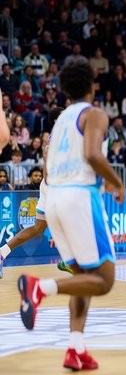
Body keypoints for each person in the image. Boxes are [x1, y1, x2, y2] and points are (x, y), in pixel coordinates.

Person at [16, 59, 126, 371]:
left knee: (83, 278)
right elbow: (92, 155)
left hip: (54, 199)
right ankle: (40, 288)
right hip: (79, 197)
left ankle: (75, 348)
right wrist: (116, 181)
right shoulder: (94, 114)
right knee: (103, 280)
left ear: (64, 88)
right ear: (92, 82)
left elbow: (48, 169)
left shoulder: (61, 119)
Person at [0, 108, 70, 279]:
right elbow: (47, 152)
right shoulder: (61, 136)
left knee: (38, 228)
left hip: (50, 185)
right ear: (56, 120)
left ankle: (2, 252)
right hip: (55, 185)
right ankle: (71, 260)